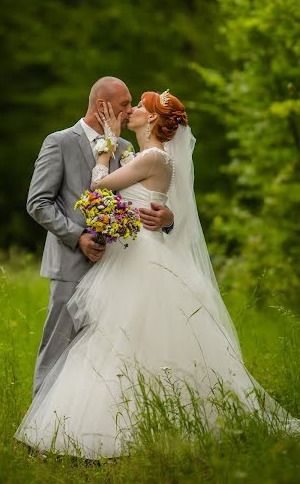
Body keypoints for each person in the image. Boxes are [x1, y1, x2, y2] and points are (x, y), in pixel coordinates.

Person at [15, 90, 299, 459]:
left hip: (137, 259)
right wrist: (161, 213)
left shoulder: (148, 155)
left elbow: (101, 185)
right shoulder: (132, 153)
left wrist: (105, 148)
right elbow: (151, 201)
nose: (130, 110)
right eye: (127, 104)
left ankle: (108, 430)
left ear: (151, 120)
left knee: (122, 343)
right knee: (107, 342)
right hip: (117, 256)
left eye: (138, 107)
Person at [27, 77, 174, 398]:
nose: (130, 109)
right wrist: (78, 236)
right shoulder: (60, 142)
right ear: (101, 106)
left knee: (101, 354)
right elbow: (38, 203)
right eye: (124, 104)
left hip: (118, 268)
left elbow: (141, 199)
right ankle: (37, 425)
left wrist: (167, 218)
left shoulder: (124, 148)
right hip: (70, 263)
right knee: (58, 345)